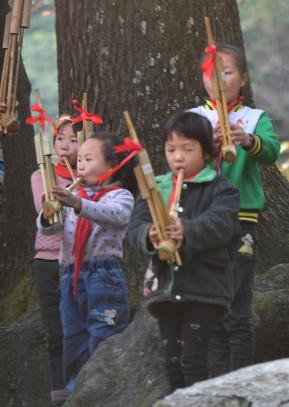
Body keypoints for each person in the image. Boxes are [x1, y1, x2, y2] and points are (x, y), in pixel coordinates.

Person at [128, 111, 240, 390]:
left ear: (206, 152)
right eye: (171, 150)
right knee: (171, 362)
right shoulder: (156, 188)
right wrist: (149, 234)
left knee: (194, 360)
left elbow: (222, 224)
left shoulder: (221, 189)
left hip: (204, 288)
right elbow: (136, 226)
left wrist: (187, 230)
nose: (178, 157)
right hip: (165, 288)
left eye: (187, 149)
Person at [190, 43, 281, 374]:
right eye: (211, 74)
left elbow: (271, 151)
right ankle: (218, 379)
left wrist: (248, 141)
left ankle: (242, 376)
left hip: (241, 218)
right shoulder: (194, 119)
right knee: (211, 303)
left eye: (226, 72)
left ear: (243, 78)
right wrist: (205, 147)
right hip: (202, 219)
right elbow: (181, 161)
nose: (218, 79)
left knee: (237, 300)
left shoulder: (254, 118)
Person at [39, 132, 135, 389]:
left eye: (88, 159)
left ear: (112, 165)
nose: (80, 165)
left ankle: (109, 391)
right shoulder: (74, 195)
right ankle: (77, 393)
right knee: (73, 338)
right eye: (79, 159)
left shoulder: (120, 195)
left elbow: (114, 215)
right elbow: (50, 230)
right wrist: (47, 214)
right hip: (71, 276)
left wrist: (78, 203)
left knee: (105, 336)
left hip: (104, 277)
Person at [30, 115, 78, 406]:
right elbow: (45, 212)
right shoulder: (41, 176)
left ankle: (82, 383)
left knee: (79, 325)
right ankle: (59, 391)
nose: (65, 146)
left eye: (74, 140)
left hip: (79, 260)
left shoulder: (91, 176)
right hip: (47, 261)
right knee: (55, 330)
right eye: (60, 139)